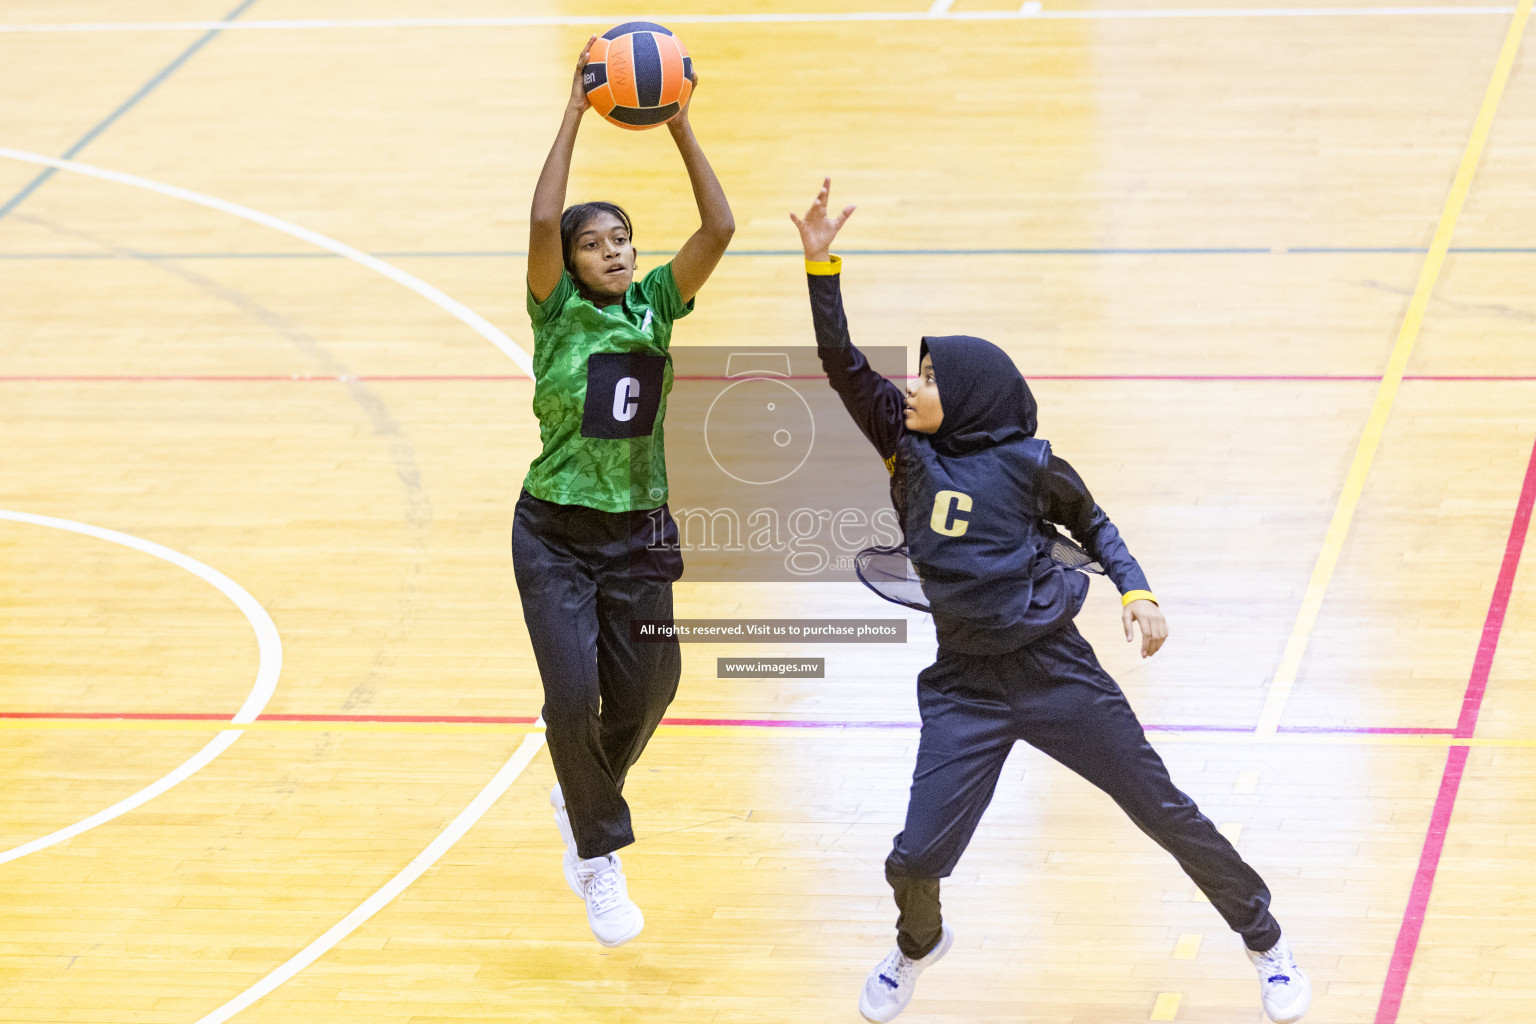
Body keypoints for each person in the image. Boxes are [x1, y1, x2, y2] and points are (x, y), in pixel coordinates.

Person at [790, 179, 1309, 1023]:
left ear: (971, 394)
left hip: (1055, 671)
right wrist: (822, 268)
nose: (909, 386)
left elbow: (1094, 523)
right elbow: (841, 366)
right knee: (914, 860)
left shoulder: (1030, 463)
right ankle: (917, 945)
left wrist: (1138, 592)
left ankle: (1266, 941)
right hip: (963, 684)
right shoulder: (905, 452)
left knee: (1163, 811)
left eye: (926, 377)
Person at [513, 36, 733, 948]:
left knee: (649, 692)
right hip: (555, 533)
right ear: (566, 263)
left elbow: (718, 229)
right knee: (571, 702)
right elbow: (539, 220)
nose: (612, 251)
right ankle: (599, 856)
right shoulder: (553, 307)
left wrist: (681, 127)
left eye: (622, 240)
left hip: (638, 534)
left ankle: (582, 788)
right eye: (593, 243)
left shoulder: (654, 305)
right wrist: (573, 111)